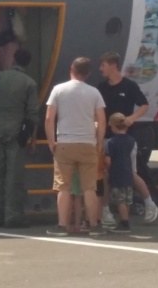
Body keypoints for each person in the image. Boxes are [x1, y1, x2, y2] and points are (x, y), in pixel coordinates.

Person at [45, 57, 106, 237]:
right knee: (89, 187)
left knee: (63, 187)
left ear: (71, 69)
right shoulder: (94, 92)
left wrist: (51, 141)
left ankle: (62, 226)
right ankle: (94, 226)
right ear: (87, 74)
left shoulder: (58, 90)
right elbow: (101, 120)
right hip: (88, 143)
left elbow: (49, 118)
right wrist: (100, 142)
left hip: (64, 142)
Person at [98, 51, 158, 224]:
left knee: (130, 173)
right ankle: (105, 210)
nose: (101, 69)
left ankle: (150, 203)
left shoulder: (129, 86)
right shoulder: (101, 88)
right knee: (106, 174)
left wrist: (132, 118)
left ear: (113, 65)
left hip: (127, 138)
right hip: (108, 137)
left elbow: (144, 105)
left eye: (103, 65)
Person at [0, 47, 39, 228]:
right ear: (27, 63)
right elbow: (32, 115)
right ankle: (12, 216)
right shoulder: (29, 83)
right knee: (14, 177)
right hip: (17, 134)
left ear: (14, 59)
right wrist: (32, 140)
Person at [105, 113, 137, 234]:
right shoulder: (131, 140)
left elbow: (108, 160)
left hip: (117, 173)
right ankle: (125, 219)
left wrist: (108, 169)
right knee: (127, 199)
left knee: (120, 201)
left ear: (113, 127)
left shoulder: (111, 142)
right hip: (128, 172)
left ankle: (124, 222)